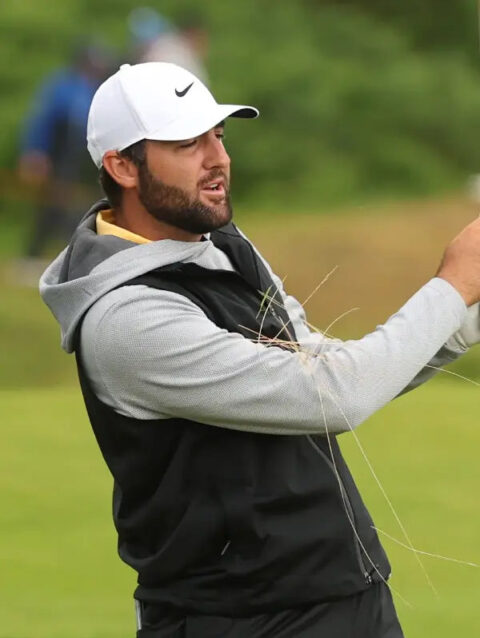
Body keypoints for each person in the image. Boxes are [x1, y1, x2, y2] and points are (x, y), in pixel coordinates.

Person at [40, 62, 480, 637]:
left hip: (345, 596)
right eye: (188, 143)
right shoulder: (125, 318)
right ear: (122, 166)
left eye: (218, 135)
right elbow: (332, 396)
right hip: (240, 621)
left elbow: (328, 364)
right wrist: (453, 285)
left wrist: (466, 318)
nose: (218, 158)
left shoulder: (222, 245)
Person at [18, 42, 111, 259]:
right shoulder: (63, 86)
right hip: (59, 155)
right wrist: (36, 152)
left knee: (81, 207)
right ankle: (34, 254)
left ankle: (76, 254)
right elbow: (42, 120)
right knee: (52, 205)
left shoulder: (97, 89)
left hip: (85, 160)